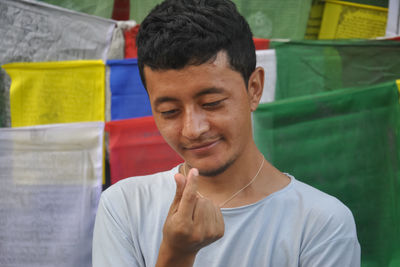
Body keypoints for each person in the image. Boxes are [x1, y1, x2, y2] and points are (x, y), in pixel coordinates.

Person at [92, 0, 361, 266]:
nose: (193, 129)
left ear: (254, 89)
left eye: (212, 104)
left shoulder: (321, 224)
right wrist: (176, 256)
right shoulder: (125, 206)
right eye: (170, 111)